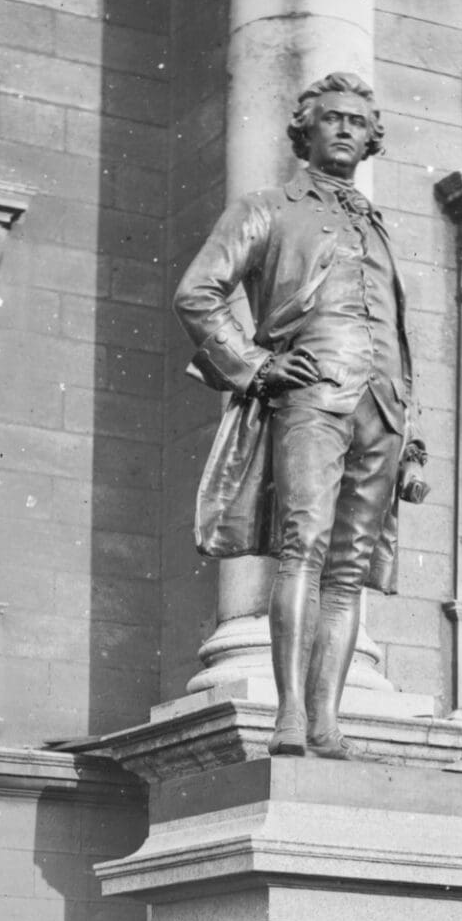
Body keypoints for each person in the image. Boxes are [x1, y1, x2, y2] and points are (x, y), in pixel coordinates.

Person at [176, 72, 427, 759]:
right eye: (332, 118)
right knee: (303, 550)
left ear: (372, 138)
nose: (346, 129)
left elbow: (395, 335)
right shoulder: (267, 207)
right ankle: (290, 716)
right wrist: (256, 366)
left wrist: (412, 438)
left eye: (357, 121)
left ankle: (327, 721)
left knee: (349, 572)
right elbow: (198, 292)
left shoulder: (375, 228)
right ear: (305, 131)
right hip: (313, 397)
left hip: (380, 409)